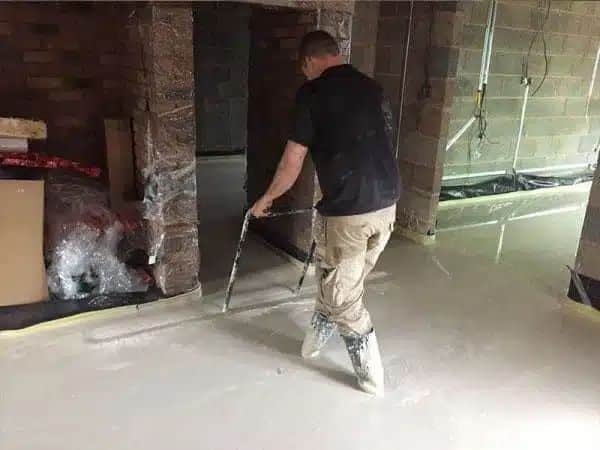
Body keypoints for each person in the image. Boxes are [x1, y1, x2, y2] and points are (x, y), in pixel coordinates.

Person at [249, 30, 401, 396]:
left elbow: (291, 163)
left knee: (344, 297)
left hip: (350, 212)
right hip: (388, 204)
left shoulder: (311, 93)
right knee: (342, 280)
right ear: (336, 54)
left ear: (309, 62)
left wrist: (264, 200)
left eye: (303, 69)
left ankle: (371, 375)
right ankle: (316, 338)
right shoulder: (372, 87)